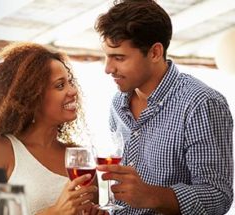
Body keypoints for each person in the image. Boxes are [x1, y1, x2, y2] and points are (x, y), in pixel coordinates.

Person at [94, 0, 233, 214]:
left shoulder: (201, 103)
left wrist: (152, 195)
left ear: (155, 52)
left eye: (119, 57)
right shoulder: (117, 103)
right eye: (106, 56)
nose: (107, 68)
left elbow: (217, 197)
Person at [0, 42, 103, 215]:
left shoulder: (79, 157)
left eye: (70, 82)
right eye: (60, 85)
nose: (73, 91)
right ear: (33, 96)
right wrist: (53, 212)